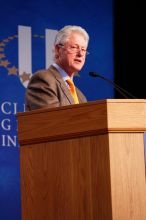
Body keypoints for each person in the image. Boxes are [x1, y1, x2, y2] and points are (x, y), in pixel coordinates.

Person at [25, 25, 89, 111]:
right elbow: (52, 121)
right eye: (74, 47)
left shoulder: (80, 96)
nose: (80, 54)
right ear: (58, 50)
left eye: (83, 49)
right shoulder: (44, 80)